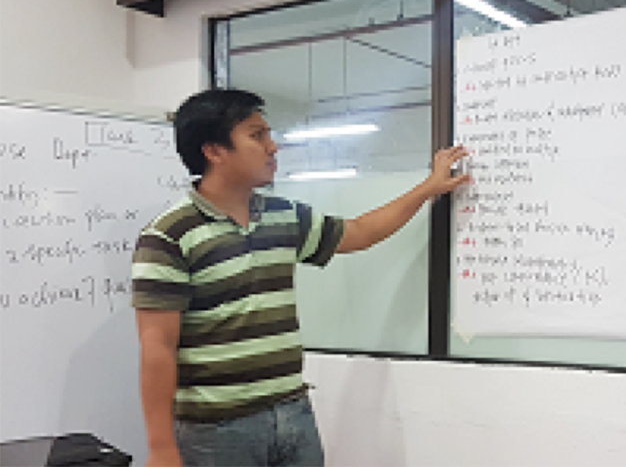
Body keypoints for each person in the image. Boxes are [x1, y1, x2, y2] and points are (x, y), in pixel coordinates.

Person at [131, 88, 470, 467]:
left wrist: (429, 187)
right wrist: (161, 448)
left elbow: (360, 232)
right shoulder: (169, 235)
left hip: (292, 411)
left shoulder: (285, 216)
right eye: (257, 135)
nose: (272, 147)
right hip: (216, 430)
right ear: (214, 151)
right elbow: (158, 348)